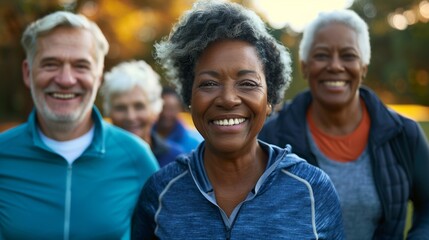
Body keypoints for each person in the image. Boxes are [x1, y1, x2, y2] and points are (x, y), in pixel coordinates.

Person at [132, 1, 344, 239]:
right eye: (209, 83)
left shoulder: (312, 189)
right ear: (189, 96)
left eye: (247, 84)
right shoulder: (160, 192)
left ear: (270, 99)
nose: (228, 99)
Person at [259, 9, 429, 239]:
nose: (335, 66)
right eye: (321, 55)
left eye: (348, 55)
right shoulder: (271, 137)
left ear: (363, 67)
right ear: (305, 66)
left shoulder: (403, 134)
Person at [0, 11, 159, 239]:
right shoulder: (2, 155)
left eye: (81, 66)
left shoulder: (136, 157)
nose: (66, 80)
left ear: (98, 76)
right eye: (50, 64)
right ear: (27, 73)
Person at [101, 60, 184, 167]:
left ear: (155, 109)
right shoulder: (96, 160)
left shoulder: (175, 160)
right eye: (120, 108)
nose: (131, 116)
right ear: (109, 111)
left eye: (139, 106)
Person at [153, 86, 203, 153]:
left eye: (171, 109)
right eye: (163, 108)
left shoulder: (194, 144)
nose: (166, 114)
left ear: (179, 109)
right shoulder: (145, 135)